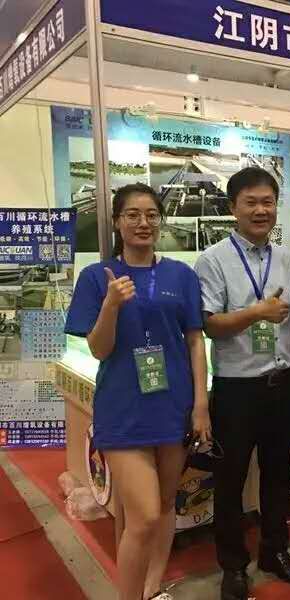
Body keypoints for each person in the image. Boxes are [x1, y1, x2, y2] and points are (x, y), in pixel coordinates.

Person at [64, 183, 210, 600]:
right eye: (132, 214)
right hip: (123, 407)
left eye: (151, 214)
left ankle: (153, 587)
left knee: (164, 505)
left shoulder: (181, 275)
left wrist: (200, 404)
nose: (143, 222)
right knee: (143, 515)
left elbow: (195, 340)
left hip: (173, 404)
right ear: (117, 222)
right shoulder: (97, 277)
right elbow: (99, 348)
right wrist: (111, 304)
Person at [195, 168, 290, 600]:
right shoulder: (213, 260)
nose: (261, 210)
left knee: (279, 475)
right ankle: (233, 565)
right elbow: (209, 325)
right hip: (237, 389)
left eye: (268, 202)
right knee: (231, 480)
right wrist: (255, 313)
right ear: (233, 208)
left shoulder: (286, 258)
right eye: (251, 202)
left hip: (282, 383)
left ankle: (274, 550)